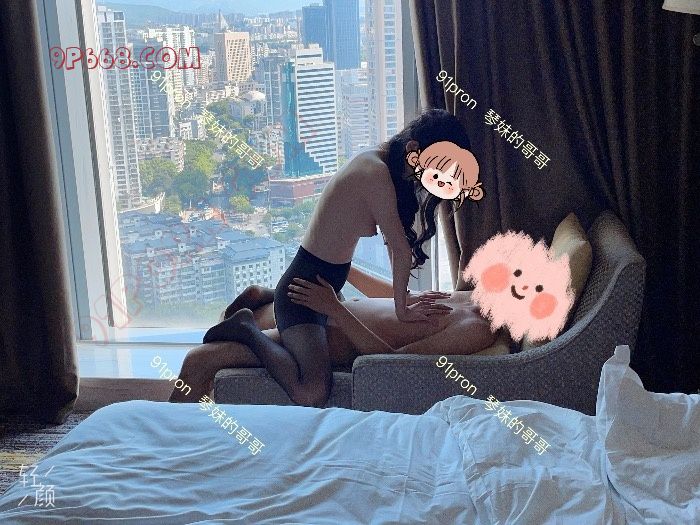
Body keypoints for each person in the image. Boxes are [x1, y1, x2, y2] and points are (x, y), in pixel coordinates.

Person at [200, 109, 483, 407]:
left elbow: (394, 244)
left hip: (324, 279)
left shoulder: (385, 167)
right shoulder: (375, 172)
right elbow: (400, 250)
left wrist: (404, 298)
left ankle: (263, 295)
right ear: (414, 150)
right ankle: (245, 327)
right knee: (312, 393)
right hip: (306, 290)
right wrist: (402, 309)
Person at [169, 270, 497, 403]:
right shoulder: (469, 298)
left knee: (199, 360)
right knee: (225, 334)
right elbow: (401, 298)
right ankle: (257, 313)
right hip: (330, 310)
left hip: (329, 334)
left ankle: (166, 450)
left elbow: (390, 363)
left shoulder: (477, 328)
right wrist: (344, 270)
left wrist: (335, 309)